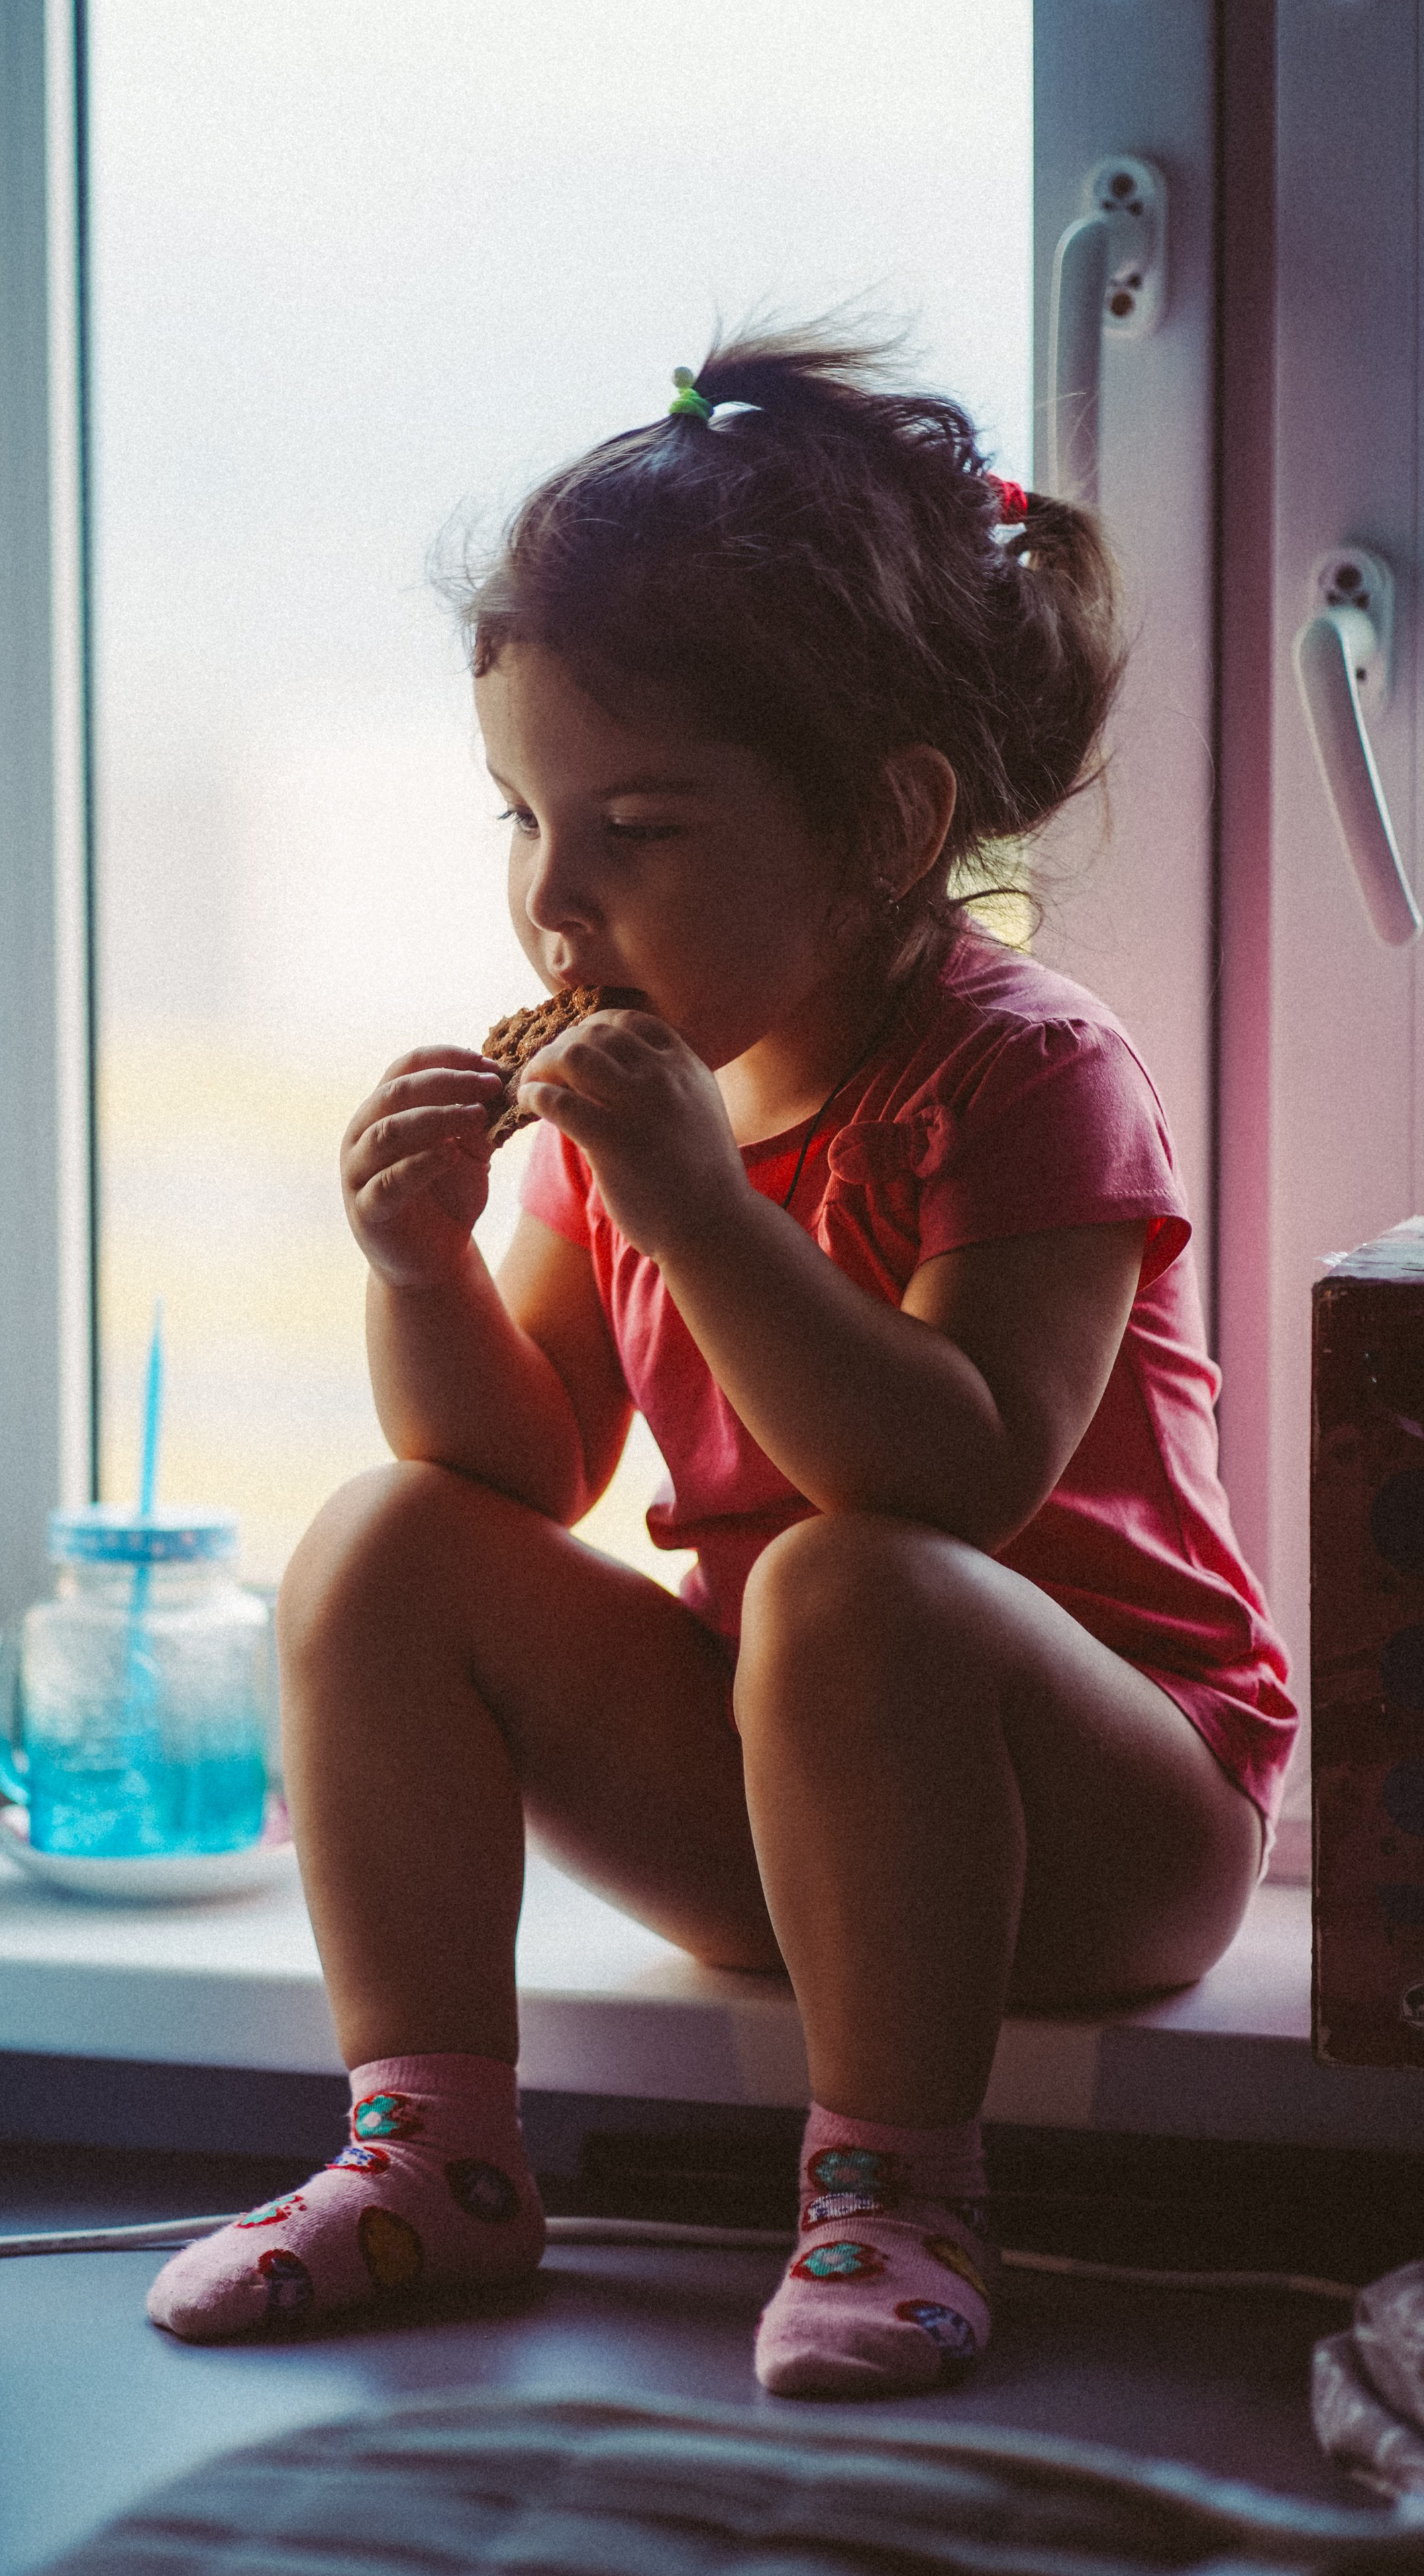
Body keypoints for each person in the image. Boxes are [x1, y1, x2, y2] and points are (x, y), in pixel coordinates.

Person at [148, 330, 1294, 2395]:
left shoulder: (1027, 1073)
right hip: (800, 1811)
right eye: (523, 817)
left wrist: (698, 1205)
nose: (554, 897)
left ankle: (895, 2194)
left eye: (642, 828)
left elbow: (954, 1479)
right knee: (380, 1543)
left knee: (851, 1582)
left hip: (1116, 1820)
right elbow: (519, 1465)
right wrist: (417, 1271)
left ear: (886, 822)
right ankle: (432, 2155)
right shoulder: (644, 1111)